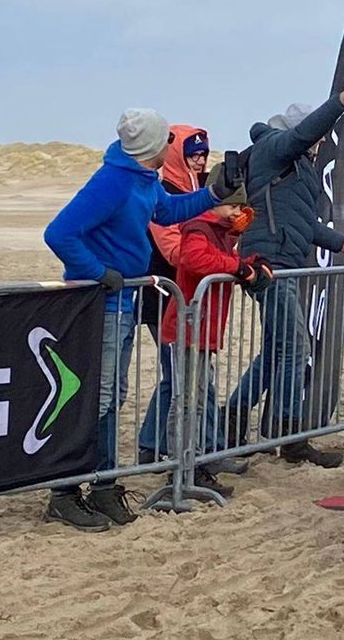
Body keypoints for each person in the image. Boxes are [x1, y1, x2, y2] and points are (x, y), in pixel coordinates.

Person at [42, 108, 238, 531]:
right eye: (165, 138)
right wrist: (97, 273)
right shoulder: (113, 181)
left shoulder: (144, 179)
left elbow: (167, 211)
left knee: (113, 394)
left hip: (123, 300)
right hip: (100, 303)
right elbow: (59, 233)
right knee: (100, 395)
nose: (171, 144)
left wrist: (214, 193)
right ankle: (66, 491)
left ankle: (105, 486)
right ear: (151, 145)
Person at [227, 71, 344, 469]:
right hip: (269, 262)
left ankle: (234, 416)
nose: (319, 142)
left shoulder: (297, 166)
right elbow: (305, 133)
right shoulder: (275, 147)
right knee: (296, 347)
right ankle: (289, 436)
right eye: (316, 136)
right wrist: (342, 99)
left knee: (277, 348)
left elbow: (304, 222)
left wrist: (343, 244)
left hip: (283, 259)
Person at [154, 193, 271, 499]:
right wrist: (237, 266)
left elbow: (219, 261)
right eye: (233, 206)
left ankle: (196, 462)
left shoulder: (216, 232)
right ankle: (183, 467)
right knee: (186, 400)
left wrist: (250, 265)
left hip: (203, 329)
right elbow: (194, 260)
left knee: (198, 397)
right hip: (189, 328)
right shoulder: (198, 227)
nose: (236, 212)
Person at [136, 125, 224, 469]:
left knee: (198, 379)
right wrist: (210, 252)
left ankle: (208, 447)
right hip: (164, 298)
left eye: (203, 154)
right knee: (180, 379)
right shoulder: (163, 192)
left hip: (192, 297)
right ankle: (172, 450)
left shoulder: (201, 191)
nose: (200, 161)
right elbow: (174, 250)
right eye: (193, 154)